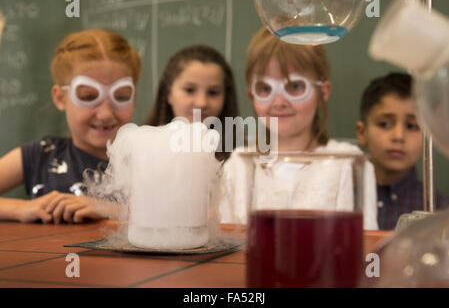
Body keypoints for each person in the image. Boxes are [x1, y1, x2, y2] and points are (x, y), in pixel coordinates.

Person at [218, 27, 379, 230]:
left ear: (323, 91)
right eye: (265, 89)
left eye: (295, 87)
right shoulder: (239, 165)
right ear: (253, 96)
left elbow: (365, 246)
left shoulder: (349, 165)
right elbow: (225, 248)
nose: (278, 102)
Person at [0, 29, 141, 224]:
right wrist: (21, 208)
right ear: (60, 98)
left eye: (121, 96)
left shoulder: (149, 161)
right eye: (88, 97)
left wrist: (110, 209)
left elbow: (180, 215)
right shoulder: (40, 155)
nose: (106, 113)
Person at [356, 72, 449, 230]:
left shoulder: (440, 211)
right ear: (362, 133)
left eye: (412, 126)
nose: (398, 136)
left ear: (430, 137)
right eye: (385, 124)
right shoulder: (343, 198)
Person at [144, 44, 240, 161]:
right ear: (168, 93)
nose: (202, 103)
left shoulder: (239, 159)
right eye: (189, 90)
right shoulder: (144, 152)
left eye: (213, 92)